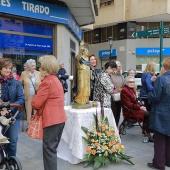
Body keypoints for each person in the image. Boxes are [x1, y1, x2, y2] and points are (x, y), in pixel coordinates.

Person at [31, 55, 67, 170]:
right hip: (60, 119)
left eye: (41, 67)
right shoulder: (55, 79)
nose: (39, 69)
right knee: (52, 150)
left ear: (46, 69)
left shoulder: (47, 82)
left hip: (52, 120)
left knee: (49, 152)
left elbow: (35, 103)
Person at [147, 58, 170, 170]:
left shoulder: (161, 79)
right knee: (169, 137)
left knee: (160, 139)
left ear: (164, 67)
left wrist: (149, 94)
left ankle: (159, 163)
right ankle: (168, 161)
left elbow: (155, 96)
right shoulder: (162, 78)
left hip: (162, 112)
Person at [0, 58, 25, 157]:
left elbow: (21, 99)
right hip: (0, 115)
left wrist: (10, 109)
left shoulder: (17, 83)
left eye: (10, 68)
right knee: (2, 141)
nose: (8, 70)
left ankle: (11, 161)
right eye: (5, 68)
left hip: (13, 116)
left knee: (13, 141)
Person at [20, 59, 41, 126]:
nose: (34, 67)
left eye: (34, 66)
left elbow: (42, 82)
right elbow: (20, 84)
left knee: (36, 110)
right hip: (28, 94)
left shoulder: (38, 73)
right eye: (32, 66)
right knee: (28, 110)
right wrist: (22, 90)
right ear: (28, 66)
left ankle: (35, 125)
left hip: (36, 94)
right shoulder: (24, 73)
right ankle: (29, 125)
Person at [110, 61, 125, 126]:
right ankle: (112, 127)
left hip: (120, 96)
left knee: (118, 113)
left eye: (119, 66)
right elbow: (109, 85)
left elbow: (124, 85)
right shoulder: (110, 75)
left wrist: (122, 89)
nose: (118, 68)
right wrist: (115, 89)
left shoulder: (121, 76)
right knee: (114, 112)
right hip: (112, 97)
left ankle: (116, 127)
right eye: (117, 66)